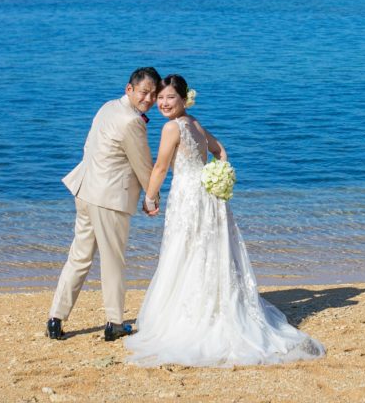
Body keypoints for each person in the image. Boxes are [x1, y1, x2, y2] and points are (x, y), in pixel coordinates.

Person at [125, 74, 325, 366]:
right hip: (206, 194)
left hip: (188, 196)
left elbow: (161, 166)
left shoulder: (171, 128)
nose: (164, 103)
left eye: (171, 98)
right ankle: (217, 303)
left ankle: (192, 315)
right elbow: (220, 151)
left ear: (183, 99)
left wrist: (150, 198)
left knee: (187, 249)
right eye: (161, 98)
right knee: (208, 249)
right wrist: (216, 177)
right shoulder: (194, 123)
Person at [47, 67, 161, 341]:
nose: (149, 99)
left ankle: (55, 318)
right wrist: (151, 196)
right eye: (145, 92)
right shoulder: (131, 121)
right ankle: (114, 322)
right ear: (129, 89)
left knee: (79, 256)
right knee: (113, 260)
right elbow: (143, 164)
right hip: (109, 197)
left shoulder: (108, 107)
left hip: (85, 189)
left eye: (154, 94)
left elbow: (89, 145)